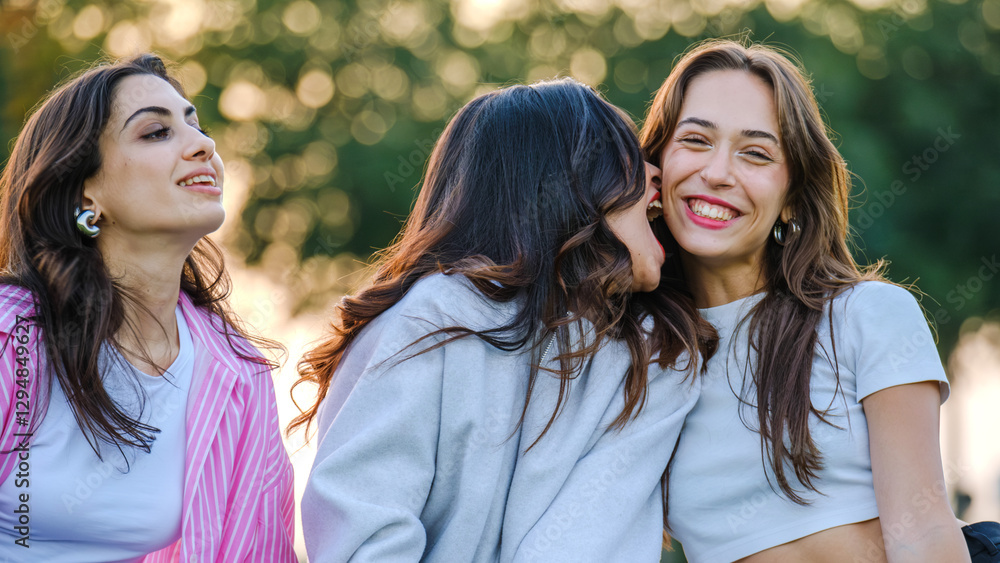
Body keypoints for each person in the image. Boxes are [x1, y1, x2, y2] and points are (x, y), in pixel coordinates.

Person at [293, 78, 712, 562]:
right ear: (567, 183)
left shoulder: (651, 362)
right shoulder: (427, 325)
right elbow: (363, 533)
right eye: (624, 158)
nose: (655, 172)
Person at [639, 39, 970, 562]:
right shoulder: (635, 355)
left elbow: (923, 533)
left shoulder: (868, 317)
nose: (719, 172)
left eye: (756, 153)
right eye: (696, 140)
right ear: (655, 166)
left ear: (792, 195)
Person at [0, 54, 296, 562]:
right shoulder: (12, 335)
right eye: (156, 133)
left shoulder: (238, 376)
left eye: (195, 124)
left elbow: (256, 551)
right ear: (85, 191)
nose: (205, 145)